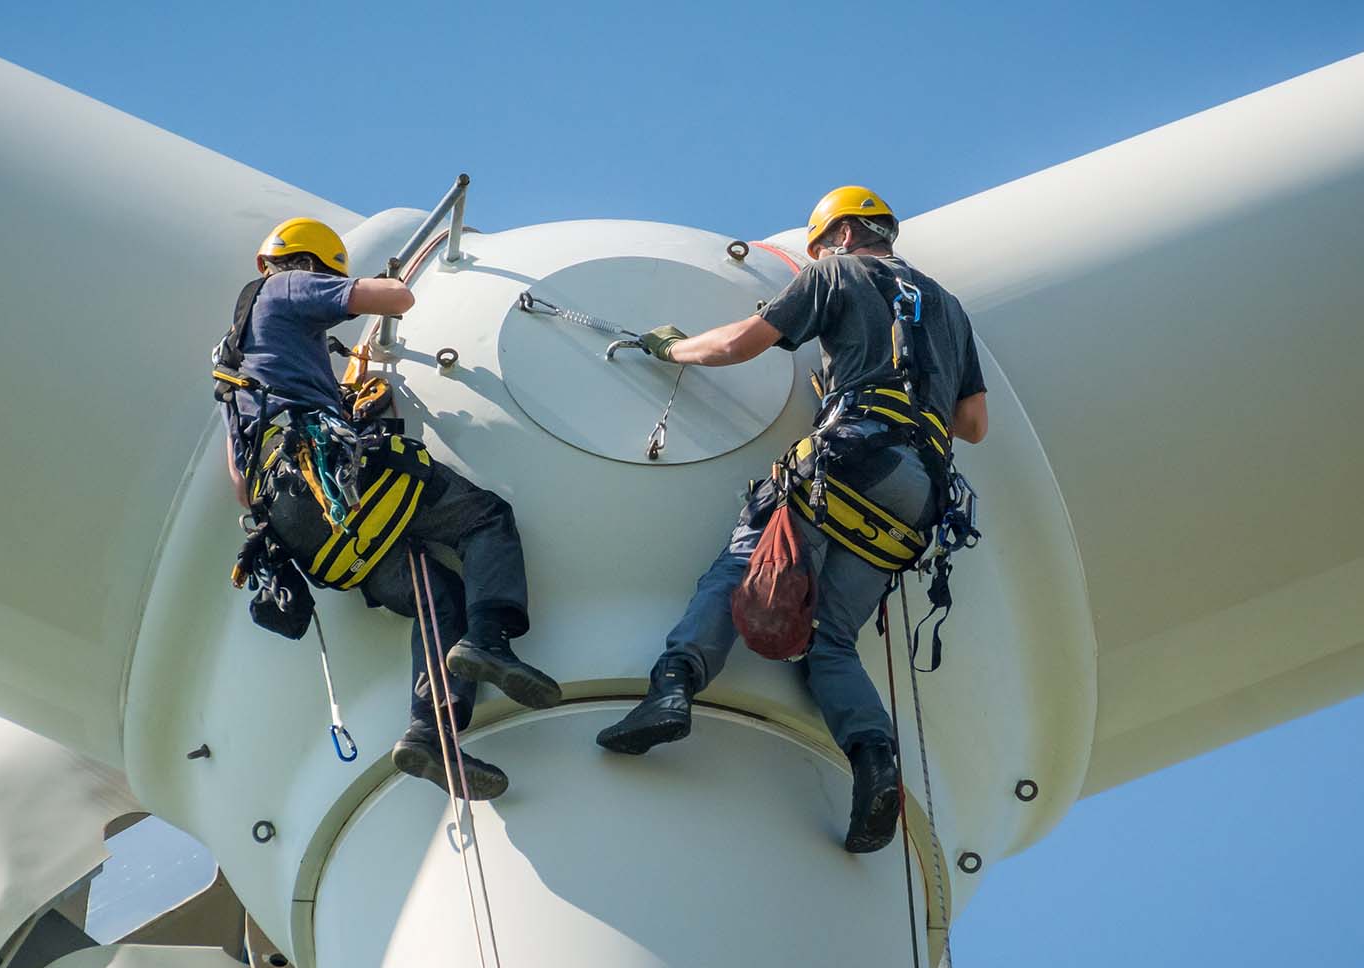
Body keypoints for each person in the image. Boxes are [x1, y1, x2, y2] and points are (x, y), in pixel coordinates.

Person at [593, 187, 989, 852]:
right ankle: (875, 763)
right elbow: (973, 424)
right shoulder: (948, 309)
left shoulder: (835, 273)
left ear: (837, 235)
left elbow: (744, 344)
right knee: (830, 642)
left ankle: (672, 689)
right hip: (919, 496)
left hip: (852, 456)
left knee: (743, 566)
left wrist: (673, 351)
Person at [220, 217, 561, 801]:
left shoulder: (232, 363)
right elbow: (393, 297)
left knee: (435, 593)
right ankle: (489, 639)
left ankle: (430, 733)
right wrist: (373, 287)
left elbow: (240, 484)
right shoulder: (285, 288)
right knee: (483, 519)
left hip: (299, 519)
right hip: (336, 475)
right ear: (312, 265)